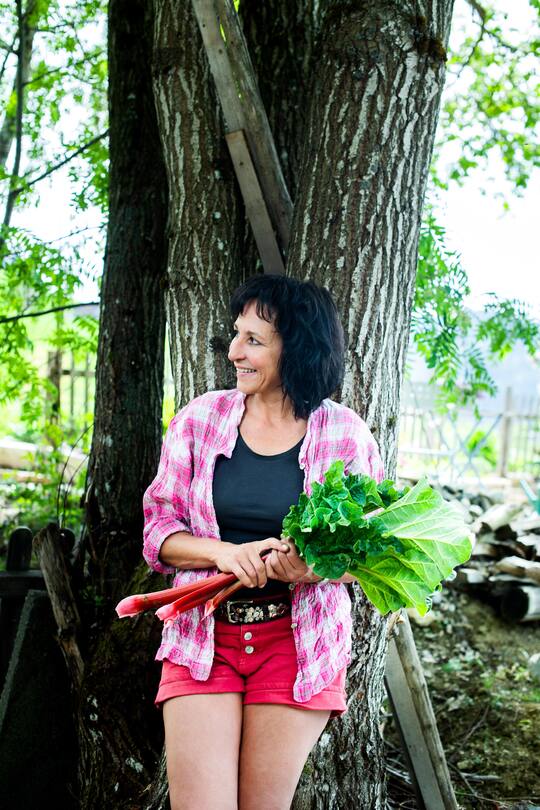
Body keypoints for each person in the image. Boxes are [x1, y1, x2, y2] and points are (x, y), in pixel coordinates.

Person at [142, 274, 384, 810]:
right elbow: (158, 531)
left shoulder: (345, 435)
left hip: (297, 644)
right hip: (202, 639)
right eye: (237, 335)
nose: (234, 352)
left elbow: (370, 555)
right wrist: (223, 553)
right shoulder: (198, 421)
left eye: (253, 340)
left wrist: (311, 568)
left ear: (295, 347)